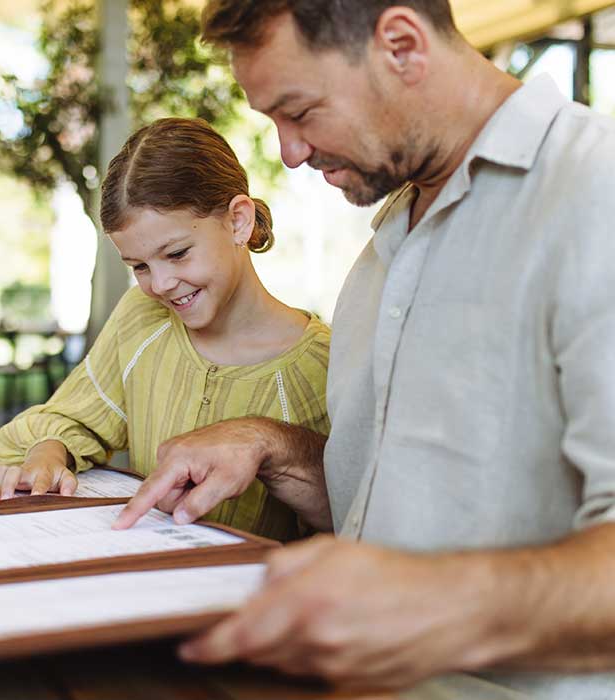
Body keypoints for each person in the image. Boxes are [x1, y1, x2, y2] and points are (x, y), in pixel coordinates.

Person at [113, 2, 615, 697]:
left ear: (401, 46)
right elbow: (390, 515)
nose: (289, 152)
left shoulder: (595, 195)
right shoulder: (383, 253)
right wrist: (272, 447)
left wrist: (429, 602)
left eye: (299, 111)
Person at [0, 117, 330, 541]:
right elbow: (72, 417)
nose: (160, 285)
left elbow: (357, 514)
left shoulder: (326, 365)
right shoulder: (143, 317)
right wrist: (49, 452)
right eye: (140, 266)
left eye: (177, 254)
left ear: (238, 221)